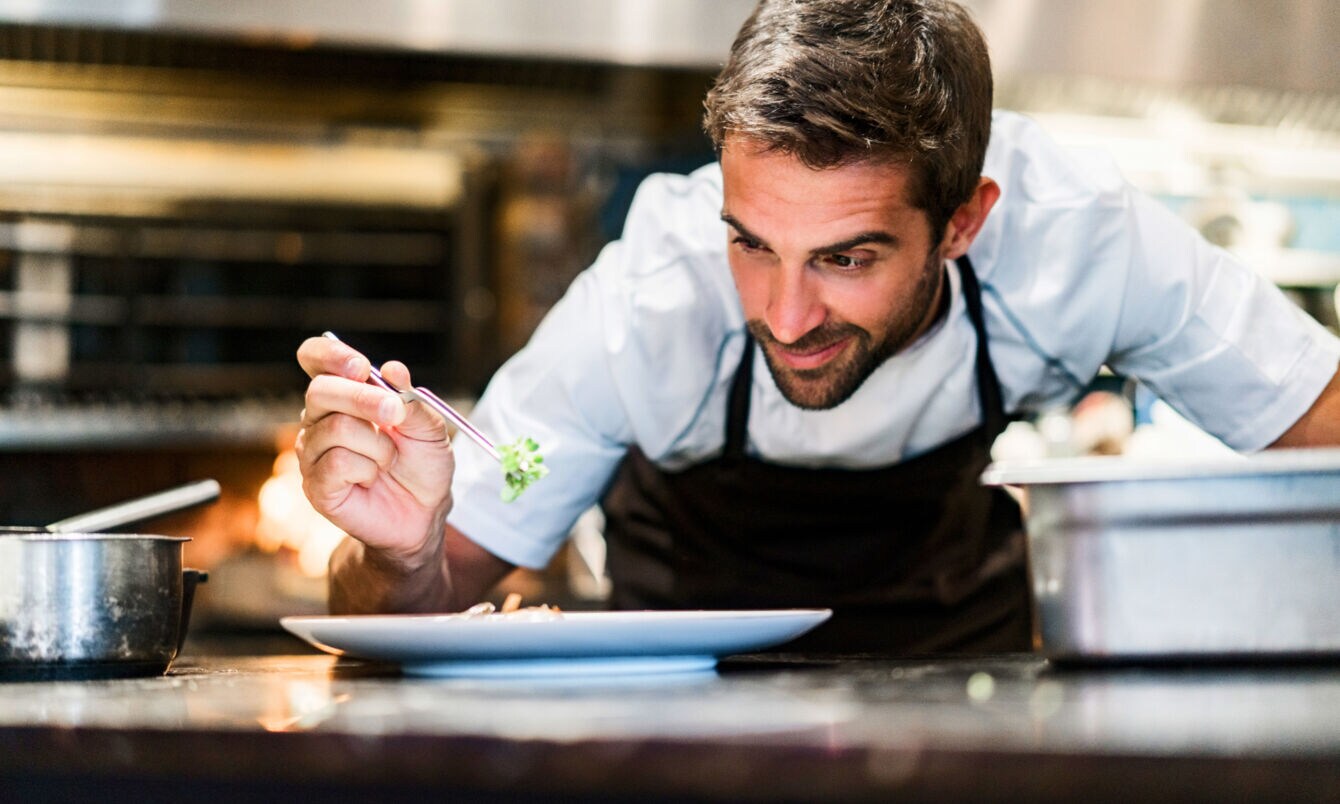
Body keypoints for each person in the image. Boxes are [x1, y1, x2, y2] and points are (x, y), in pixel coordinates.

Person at [295, 0, 1340, 654]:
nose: (785, 316)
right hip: (681, 727)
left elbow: (1317, 419)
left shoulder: (1079, 240)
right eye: (751, 243)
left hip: (968, 701)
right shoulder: (644, 300)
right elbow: (396, 614)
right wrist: (401, 552)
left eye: (846, 258)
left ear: (962, 222)